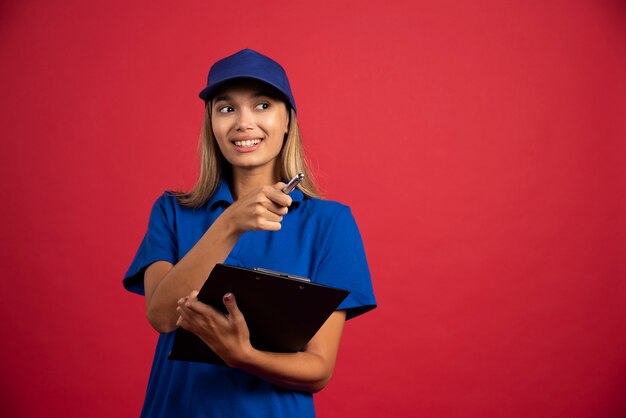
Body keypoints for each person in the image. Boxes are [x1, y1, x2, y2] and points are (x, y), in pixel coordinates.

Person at [123, 48, 376, 418]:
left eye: (262, 106)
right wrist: (229, 224)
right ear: (211, 123)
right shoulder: (172, 211)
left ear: (288, 120)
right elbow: (162, 316)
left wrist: (244, 355)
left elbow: (318, 368)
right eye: (227, 109)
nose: (243, 122)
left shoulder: (329, 223)